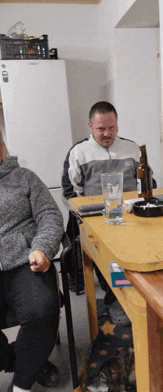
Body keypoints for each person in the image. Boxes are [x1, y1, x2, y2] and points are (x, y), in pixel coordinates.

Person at [62, 101, 156, 318]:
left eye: (111, 128)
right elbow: (70, 192)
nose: (107, 133)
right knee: (108, 258)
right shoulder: (79, 152)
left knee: (141, 252)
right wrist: (84, 215)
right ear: (90, 126)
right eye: (101, 129)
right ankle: (116, 298)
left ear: (117, 125)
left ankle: (140, 295)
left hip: (133, 215)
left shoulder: (132, 148)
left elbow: (148, 183)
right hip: (97, 218)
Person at [0, 130, 64, 392]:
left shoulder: (25, 178)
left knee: (42, 311)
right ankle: (20, 359)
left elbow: (50, 214)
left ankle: (21, 384)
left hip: (24, 262)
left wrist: (43, 249)